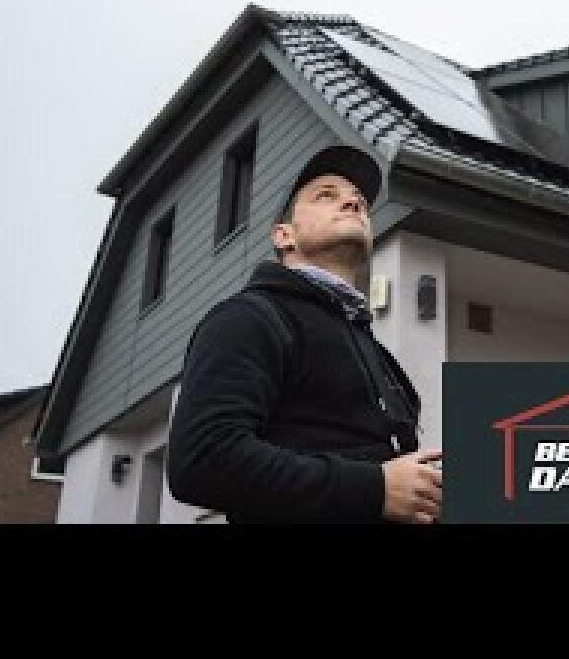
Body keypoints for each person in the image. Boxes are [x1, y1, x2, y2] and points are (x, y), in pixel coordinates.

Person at [167, 144, 442, 524]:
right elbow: (202, 459)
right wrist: (374, 488)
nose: (353, 203)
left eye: (359, 200)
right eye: (326, 195)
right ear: (283, 236)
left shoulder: (378, 354)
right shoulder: (249, 318)